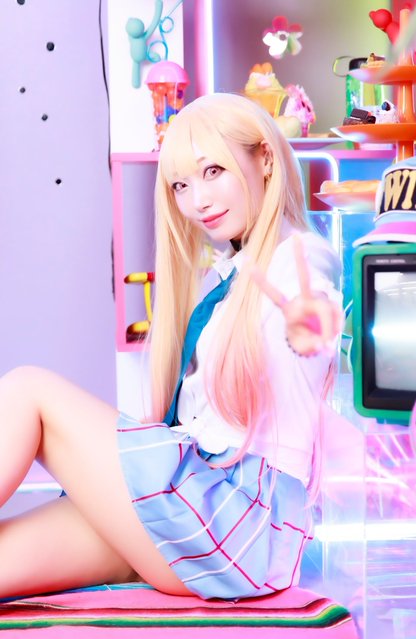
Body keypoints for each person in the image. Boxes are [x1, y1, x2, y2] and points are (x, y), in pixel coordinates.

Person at [0, 92, 342, 601]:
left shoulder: (298, 258)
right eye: (181, 184)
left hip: (236, 519)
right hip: (197, 512)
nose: (197, 201)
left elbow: (310, 313)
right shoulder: (228, 275)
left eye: (213, 172)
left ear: (266, 159)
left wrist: (309, 326)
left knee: (29, 389)